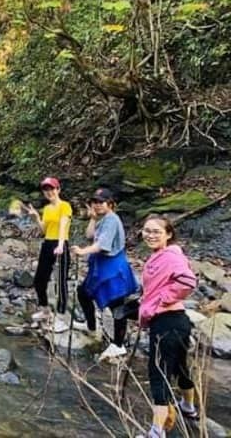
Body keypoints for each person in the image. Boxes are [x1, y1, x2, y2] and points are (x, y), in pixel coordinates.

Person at [139, 215, 198, 438]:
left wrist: (160, 300)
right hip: (177, 320)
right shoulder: (160, 255)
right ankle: (188, 407)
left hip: (166, 321)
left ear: (168, 234)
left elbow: (188, 281)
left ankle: (156, 432)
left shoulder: (170, 256)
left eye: (156, 231)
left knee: (159, 374)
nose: (150, 235)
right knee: (180, 367)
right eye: (147, 231)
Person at [71, 188, 138, 362]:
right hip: (101, 267)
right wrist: (92, 218)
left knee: (116, 306)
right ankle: (91, 326)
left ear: (110, 203)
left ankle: (118, 345)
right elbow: (89, 235)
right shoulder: (103, 219)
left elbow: (102, 245)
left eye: (101, 202)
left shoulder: (112, 220)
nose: (97, 205)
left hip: (112, 269)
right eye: (95, 202)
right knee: (84, 292)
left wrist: (83, 251)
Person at [25, 177, 72, 323]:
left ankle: (61, 317)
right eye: (46, 189)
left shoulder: (65, 206)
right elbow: (44, 230)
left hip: (61, 244)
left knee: (61, 282)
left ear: (58, 190)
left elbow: (64, 224)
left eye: (51, 189)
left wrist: (60, 244)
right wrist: (36, 218)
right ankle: (45, 310)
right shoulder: (47, 209)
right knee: (39, 279)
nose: (49, 192)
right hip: (47, 243)